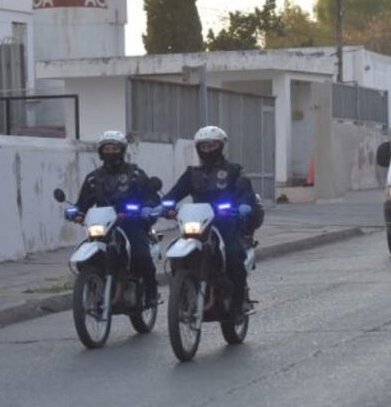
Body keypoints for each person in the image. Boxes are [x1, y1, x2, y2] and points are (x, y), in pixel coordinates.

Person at [161, 126, 264, 314]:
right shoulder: (192, 173)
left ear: (220, 146)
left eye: (212, 145)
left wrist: (243, 206)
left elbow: (245, 192)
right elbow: (174, 193)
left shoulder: (233, 171)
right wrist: (165, 206)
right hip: (198, 224)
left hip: (225, 223)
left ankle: (238, 303)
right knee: (175, 254)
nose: (207, 149)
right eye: (204, 146)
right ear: (199, 149)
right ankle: (182, 295)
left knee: (234, 255)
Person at [72, 130, 161, 306]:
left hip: (130, 223)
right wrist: (76, 212)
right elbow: (82, 202)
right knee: (86, 257)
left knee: (141, 255)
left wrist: (146, 207)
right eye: (107, 148)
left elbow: (151, 197)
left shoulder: (135, 174)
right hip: (102, 226)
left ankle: (151, 291)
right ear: (100, 151)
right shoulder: (93, 178)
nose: (110, 152)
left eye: (114, 148)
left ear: (122, 150)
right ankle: (93, 289)